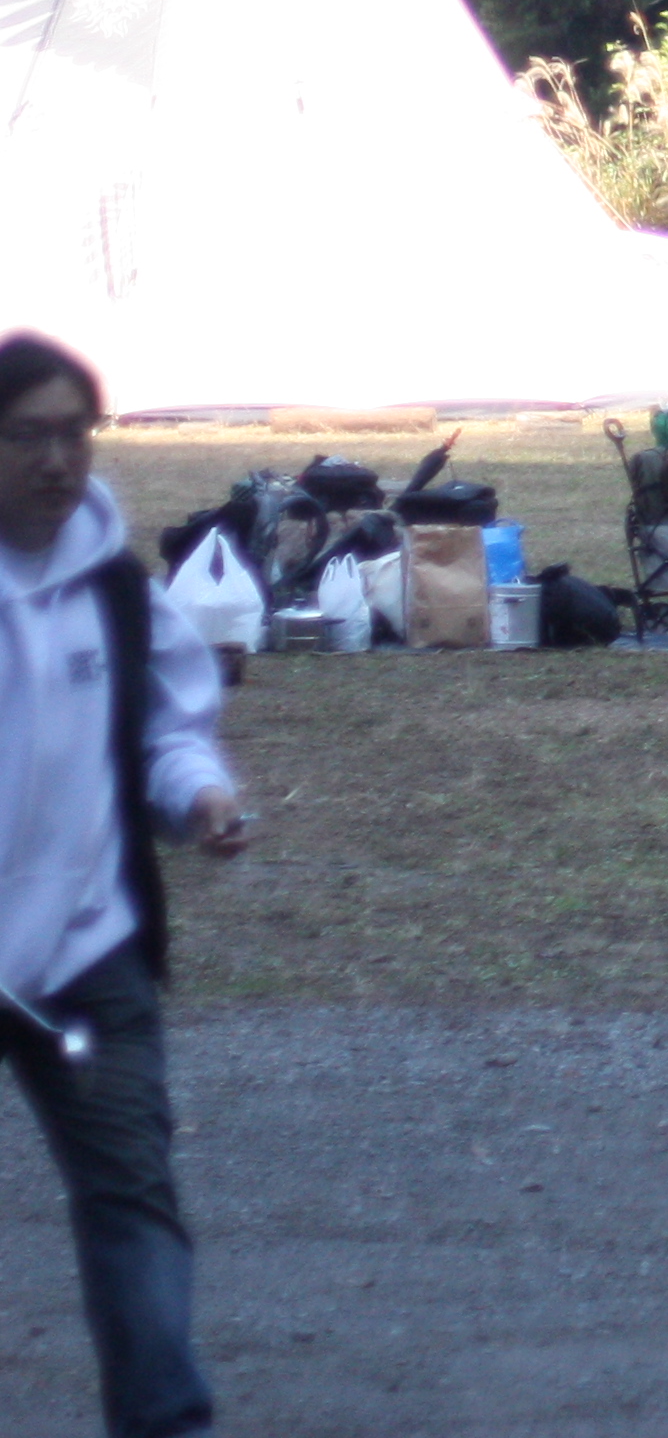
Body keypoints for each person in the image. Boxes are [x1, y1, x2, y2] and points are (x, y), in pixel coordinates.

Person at [1, 331, 246, 1438]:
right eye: (26, 437)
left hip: (88, 953)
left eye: (73, 435)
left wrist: (199, 796)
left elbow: (165, 730)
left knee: (132, 1200)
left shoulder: (115, 588)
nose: (57, 461)